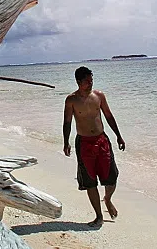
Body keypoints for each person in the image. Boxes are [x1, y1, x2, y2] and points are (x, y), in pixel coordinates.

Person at [62, 66, 125, 226]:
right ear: (78, 82)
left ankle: (108, 199)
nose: (90, 84)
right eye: (86, 82)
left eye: (91, 81)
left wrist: (118, 136)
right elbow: (67, 122)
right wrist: (66, 142)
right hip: (84, 143)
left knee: (111, 177)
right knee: (90, 181)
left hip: (101, 140)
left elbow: (109, 116)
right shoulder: (71, 100)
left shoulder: (99, 96)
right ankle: (98, 216)